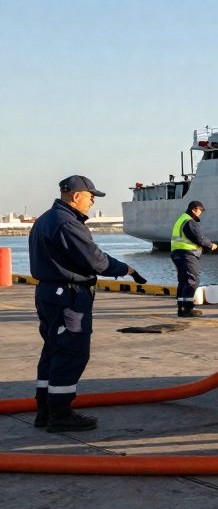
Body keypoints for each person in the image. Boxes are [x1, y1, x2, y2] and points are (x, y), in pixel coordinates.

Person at [28, 176, 142, 432]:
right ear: (76, 196)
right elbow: (95, 260)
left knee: (53, 350)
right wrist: (126, 269)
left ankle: (44, 411)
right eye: (91, 197)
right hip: (67, 296)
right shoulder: (67, 223)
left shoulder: (46, 219)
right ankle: (61, 414)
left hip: (49, 293)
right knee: (71, 352)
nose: (92, 202)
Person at [171, 200, 218, 317]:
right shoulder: (189, 221)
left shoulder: (181, 219)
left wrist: (203, 248)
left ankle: (181, 308)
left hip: (177, 253)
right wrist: (211, 245)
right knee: (193, 280)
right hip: (187, 255)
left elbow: (192, 239)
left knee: (183, 281)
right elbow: (199, 238)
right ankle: (188, 309)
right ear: (194, 209)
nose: (201, 213)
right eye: (200, 210)